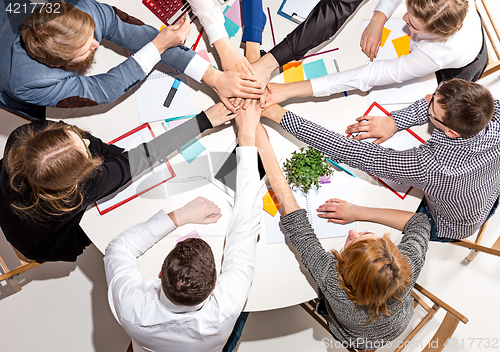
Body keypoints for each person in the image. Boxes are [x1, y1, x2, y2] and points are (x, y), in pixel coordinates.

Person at [104, 100, 263, 352]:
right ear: (214, 287)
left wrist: (180, 215)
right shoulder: (227, 306)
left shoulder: (131, 309)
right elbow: (246, 223)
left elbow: (118, 249)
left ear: (159, 273)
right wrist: (246, 135)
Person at [254, 123, 430, 350]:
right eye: (365, 233)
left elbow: (297, 225)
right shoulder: (408, 266)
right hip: (398, 325)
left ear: (344, 273)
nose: (352, 231)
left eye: (351, 242)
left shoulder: (333, 282)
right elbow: (420, 221)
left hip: (351, 336)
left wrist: (262, 143)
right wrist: (359, 212)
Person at [261, 78, 499, 241]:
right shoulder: (490, 108)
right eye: (437, 93)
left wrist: (277, 113)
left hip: (453, 223)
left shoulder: (432, 166)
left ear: (451, 133)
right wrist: (395, 121)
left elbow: (352, 152)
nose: (426, 100)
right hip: (486, 187)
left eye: (431, 112)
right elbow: (433, 101)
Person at [0, 102, 237, 262]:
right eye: (85, 150)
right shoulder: (81, 189)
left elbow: (109, 154)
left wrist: (110, 156)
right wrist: (203, 121)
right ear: (77, 177)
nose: (85, 138)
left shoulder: (20, 136)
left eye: (71, 133)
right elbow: (144, 157)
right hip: (40, 241)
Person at [0, 0, 263, 119]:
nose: (96, 43)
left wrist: (213, 76)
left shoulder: (82, 10)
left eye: (92, 35)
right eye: (85, 48)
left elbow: (132, 33)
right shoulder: (29, 83)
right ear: (57, 64)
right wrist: (158, 46)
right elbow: (102, 90)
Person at [252, 0, 487, 108]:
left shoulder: (437, 53)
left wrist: (290, 89)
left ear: (435, 35)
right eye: (408, 11)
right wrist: (380, 17)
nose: (404, 21)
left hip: (462, 67)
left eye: (413, 26)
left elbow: (370, 75)